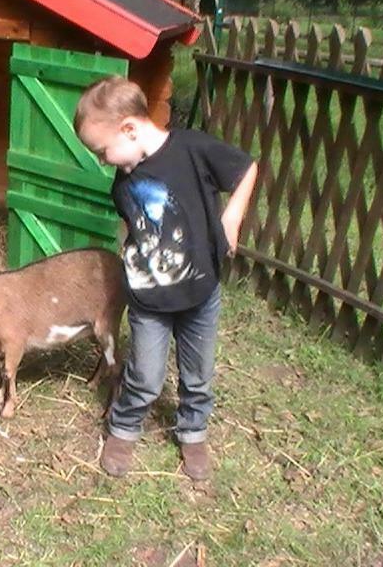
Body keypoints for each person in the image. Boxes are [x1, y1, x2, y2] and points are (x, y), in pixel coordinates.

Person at [74, 76, 258, 480]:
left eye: (102, 151)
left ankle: (193, 432)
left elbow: (246, 168)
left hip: (199, 293)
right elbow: (133, 228)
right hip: (149, 302)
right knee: (145, 374)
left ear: (129, 128)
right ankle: (124, 428)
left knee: (198, 374)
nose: (103, 161)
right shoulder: (124, 182)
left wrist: (233, 215)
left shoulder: (193, 149)